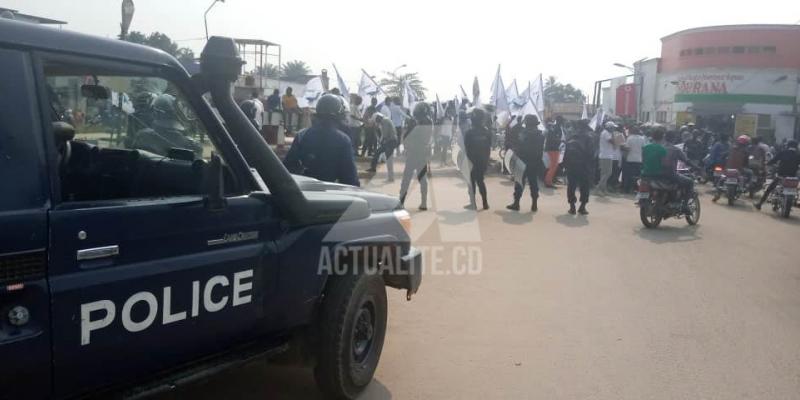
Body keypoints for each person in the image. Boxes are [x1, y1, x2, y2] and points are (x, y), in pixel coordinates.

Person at [283, 94, 359, 186]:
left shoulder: (302, 135)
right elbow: (350, 179)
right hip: (328, 194)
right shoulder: (343, 140)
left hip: (302, 192)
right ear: (338, 115)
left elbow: (288, 167)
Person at [399, 103, 434, 210]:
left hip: (413, 153)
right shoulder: (429, 122)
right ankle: (424, 203)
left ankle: (401, 202)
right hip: (423, 153)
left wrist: (405, 145)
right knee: (422, 178)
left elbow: (406, 136)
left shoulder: (415, 122)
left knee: (406, 178)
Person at [506, 115, 545, 212]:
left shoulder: (523, 134)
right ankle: (534, 204)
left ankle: (516, 203)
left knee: (519, 183)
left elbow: (517, 146)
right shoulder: (541, 135)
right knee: (533, 183)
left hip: (522, 161)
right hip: (535, 162)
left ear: (527, 123)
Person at [755, 140, 800, 210]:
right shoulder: (798, 155)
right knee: (795, 191)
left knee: (769, 189)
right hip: (792, 178)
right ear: (796, 147)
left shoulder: (783, 152)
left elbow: (774, 160)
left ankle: (760, 204)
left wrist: (767, 163)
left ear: (788, 145)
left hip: (781, 176)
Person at [562, 120, 594, 215]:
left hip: (571, 166)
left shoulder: (571, 137)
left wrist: (565, 165)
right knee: (584, 186)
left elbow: (565, 152)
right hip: (584, 166)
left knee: (571, 186)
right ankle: (582, 207)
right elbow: (591, 154)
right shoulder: (589, 138)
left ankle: (572, 207)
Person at [463, 108, 492, 210]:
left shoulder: (469, 133)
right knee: (480, 181)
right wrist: (487, 160)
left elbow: (466, 148)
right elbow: (489, 147)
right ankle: (485, 203)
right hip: (483, 161)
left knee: (471, 182)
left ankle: (473, 204)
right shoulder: (487, 132)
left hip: (472, 161)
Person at [366, 112, 398, 182]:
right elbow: (383, 135)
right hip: (389, 142)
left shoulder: (385, 121)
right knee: (377, 152)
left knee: (389, 159)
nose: (376, 122)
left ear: (378, 118)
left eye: (376, 121)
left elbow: (385, 135)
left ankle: (391, 177)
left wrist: (382, 141)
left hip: (390, 142)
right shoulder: (384, 121)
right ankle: (373, 168)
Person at [597, 121, 619, 194]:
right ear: (609, 127)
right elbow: (612, 141)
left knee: (604, 173)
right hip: (605, 156)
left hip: (607, 155)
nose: (613, 129)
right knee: (608, 173)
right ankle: (599, 188)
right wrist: (615, 136)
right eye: (613, 127)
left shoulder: (607, 133)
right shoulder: (605, 133)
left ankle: (603, 189)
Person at [622, 126, 645, 193]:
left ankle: (627, 189)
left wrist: (625, 156)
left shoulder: (629, 138)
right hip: (639, 160)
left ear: (632, 131)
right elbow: (643, 149)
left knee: (628, 175)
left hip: (630, 159)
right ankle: (636, 189)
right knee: (637, 176)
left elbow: (627, 149)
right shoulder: (642, 139)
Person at [544, 116, 563, 188]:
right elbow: (554, 138)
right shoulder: (556, 128)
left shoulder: (553, 127)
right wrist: (561, 141)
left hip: (551, 148)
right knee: (553, 166)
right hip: (553, 148)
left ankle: (549, 180)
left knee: (553, 166)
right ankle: (548, 182)